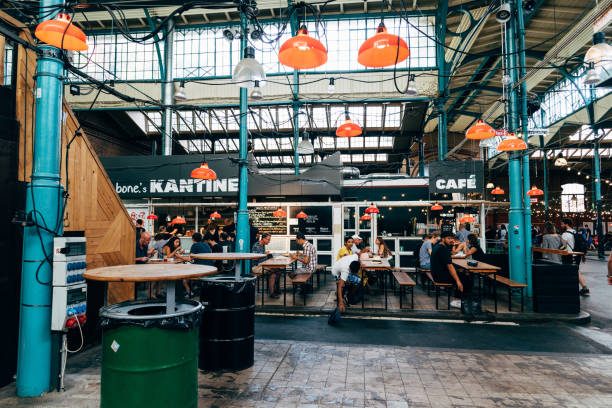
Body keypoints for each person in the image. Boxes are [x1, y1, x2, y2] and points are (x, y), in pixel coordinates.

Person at [431, 231, 472, 308]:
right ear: (443, 239)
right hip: (440, 277)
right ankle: (457, 300)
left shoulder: (438, 246)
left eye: (452, 238)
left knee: (461, 274)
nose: (451, 240)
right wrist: (458, 280)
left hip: (437, 274)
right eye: (448, 238)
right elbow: (450, 266)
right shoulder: (443, 249)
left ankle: (460, 298)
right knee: (465, 278)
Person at [560, 218, 589, 296]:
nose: (561, 225)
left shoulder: (565, 234)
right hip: (577, 255)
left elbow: (563, 246)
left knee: (572, 271)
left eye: (562, 224)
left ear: (566, 224)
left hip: (569, 255)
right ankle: (584, 288)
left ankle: (580, 288)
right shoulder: (575, 232)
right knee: (576, 271)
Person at [252, 233, 278, 298]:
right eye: (268, 240)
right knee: (274, 272)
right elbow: (254, 258)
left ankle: (274, 291)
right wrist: (264, 254)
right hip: (256, 267)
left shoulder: (262, 245)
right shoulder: (256, 245)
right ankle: (272, 293)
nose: (269, 241)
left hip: (261, 265)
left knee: (276, 271)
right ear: (263, 239)